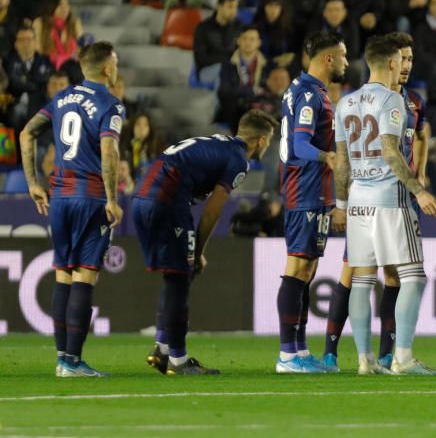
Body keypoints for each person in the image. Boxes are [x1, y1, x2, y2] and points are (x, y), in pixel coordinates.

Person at [134, 110, 276, 375]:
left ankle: (162, 349)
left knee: (176, 277)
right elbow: (213, 210)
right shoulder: (238, 159)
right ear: (261, 141)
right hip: (167, 201)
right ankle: (178, 359)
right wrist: (198, 250)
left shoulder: (217, 144)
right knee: (181, 276)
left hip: (142, 198)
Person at [334, 35, 436, 375]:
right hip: (390, 200)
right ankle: (404, 358)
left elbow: (341, 161)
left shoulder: (345, 103)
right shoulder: (394, 100)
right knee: (414, 276)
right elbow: (390, 150)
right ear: (393, 64)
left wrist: (341, 202)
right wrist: (418, 189)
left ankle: (365, 360)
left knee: (363, 280)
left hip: (357, 202)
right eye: (402, 61)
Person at [19, 42, 124, 377]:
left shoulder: (61, 99)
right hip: (90, 196)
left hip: (59, 196)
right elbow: (109, 153)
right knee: (85, 275)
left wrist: (32, 182)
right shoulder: (110, 104)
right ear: (107, 68)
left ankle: (63, 359)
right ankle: (73, 362)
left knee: (63, 272)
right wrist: (112, 198)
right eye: (116, 62)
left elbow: (26, 133)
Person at [274, 31, 349, 373]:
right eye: (344, 56)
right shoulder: (309, 95)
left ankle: (300, 350)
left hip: (314, 189)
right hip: (303, 188)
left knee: (308, 268)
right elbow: (300, 145)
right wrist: (328, 156)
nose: (347, 63)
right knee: (298, 267)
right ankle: (288, 354)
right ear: (329, 58)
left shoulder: (311, 91)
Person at [4, 27, 55, 131]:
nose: (26, 43)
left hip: (40, 105)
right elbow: (13, 84)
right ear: (16, 44)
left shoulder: (46, 61)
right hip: (14, 105)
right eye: (22, 40)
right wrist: (35, 84)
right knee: (16, 113)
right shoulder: (8, 63)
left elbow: (46, 83)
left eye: (29, 39)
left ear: (35, 42)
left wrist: (25, 83)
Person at [217, 27, 267, 131]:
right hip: (235, 109)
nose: (248, 42)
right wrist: (251, 91)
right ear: (238, 41)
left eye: (252, 39)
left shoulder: (267, 65)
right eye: (244, 38)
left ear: (259, 42)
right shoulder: (227, 64)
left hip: (259, 108)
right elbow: (225, 90)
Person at [193, 0, 239, 85]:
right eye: (230, 7)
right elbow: (200, 58)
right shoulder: (203, 28)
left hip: (233, 69)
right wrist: (225, 61)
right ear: (219, 6)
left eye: (235, 7)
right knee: (225, 73)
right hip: (208, 70)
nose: (234, 11)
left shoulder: (238, 27)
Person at [34, 0, 82, 74]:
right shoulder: (40, 22)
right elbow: (38, 48)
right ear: (52, 6)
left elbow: (79, 49)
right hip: (47, 65)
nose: (64, 9)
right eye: (60, 5)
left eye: (67, 5)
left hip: (71, 67)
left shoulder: (75, 23)